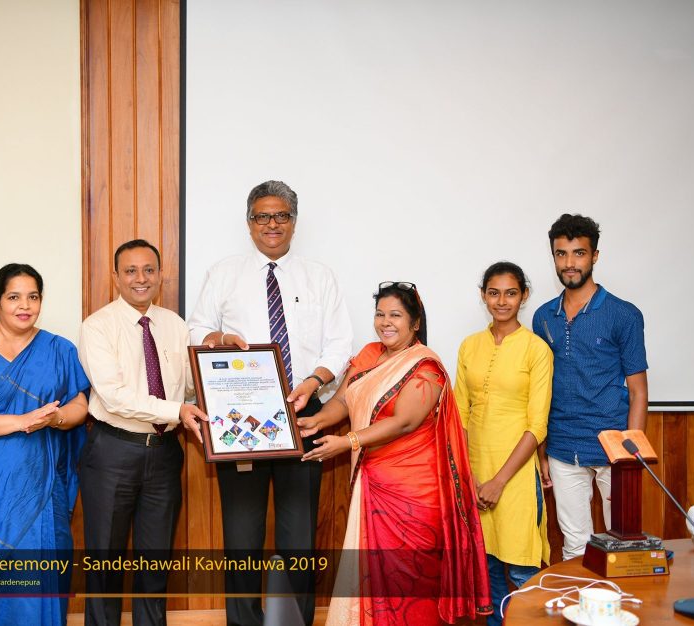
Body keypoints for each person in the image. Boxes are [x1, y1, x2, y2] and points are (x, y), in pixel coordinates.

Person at [188, 180, 353, 626]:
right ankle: (243, 620)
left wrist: (315, 380)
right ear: (249, 223)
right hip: (240, 418)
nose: (271, 224)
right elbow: (195, 329)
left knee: (298, 536)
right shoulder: (224, 272)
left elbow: (340, 344)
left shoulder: (320, 276)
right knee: (242, 534)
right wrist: (219, 338)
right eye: (262, 216)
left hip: (304, 414)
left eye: (281, 215)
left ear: (294, 222)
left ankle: (292, 621)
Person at [301, 282, 491, 626]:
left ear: (415, 323)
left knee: (410, 585)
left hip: (414, 496)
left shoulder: (427, 367)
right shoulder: (369, 354)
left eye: (395, 315)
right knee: (376, 581)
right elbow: (343, 400)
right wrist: (316, 420)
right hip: (373, 485)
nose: (385, 322)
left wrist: (348, 442)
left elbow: (405, 422)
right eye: (380, 314)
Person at [0, 263, 90, 626]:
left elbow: (80, 405)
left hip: (44, 478)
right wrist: (22, 421)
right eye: (14, 297)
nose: (25, 305)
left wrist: (54, 419)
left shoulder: (59, 349)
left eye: (33, 297)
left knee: (46, 563)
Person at [78, 239, 207, 626]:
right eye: (131, 271)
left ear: (160, 275)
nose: (141, 278)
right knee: (105, 561)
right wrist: (177, 410)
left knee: (156, 562)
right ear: (115, 277)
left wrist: (227, 369)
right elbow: (114, 396)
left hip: (165, 452)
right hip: (113, 451)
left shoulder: (175, 325)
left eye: (149, 270)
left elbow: (188, 387)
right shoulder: (97, 326)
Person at [532, 214, 648, 560]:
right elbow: (540, 389)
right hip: (563, 447)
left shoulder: (624, 314)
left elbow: (638, 391)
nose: (570, 262)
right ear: (553, 257)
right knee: (575, 547)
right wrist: (542, 451)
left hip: (614, 448)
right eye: (561, 253)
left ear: (594, 256)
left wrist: (630, 456)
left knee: (623, 546)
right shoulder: (543, 317)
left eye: (579, 253)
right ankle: (579, 600)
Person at [453, 262, 552, 625]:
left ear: (524, 296)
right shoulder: (470, 346)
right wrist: (472, 477)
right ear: (483, 296)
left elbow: (537, 426)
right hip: (476, 472)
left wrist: (498, 482)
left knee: (524, 572)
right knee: (490, 570)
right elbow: (460, 415)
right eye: (494, 293)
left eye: (511, 293)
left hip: (517, 476)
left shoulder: (536, 349)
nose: (502, 301)